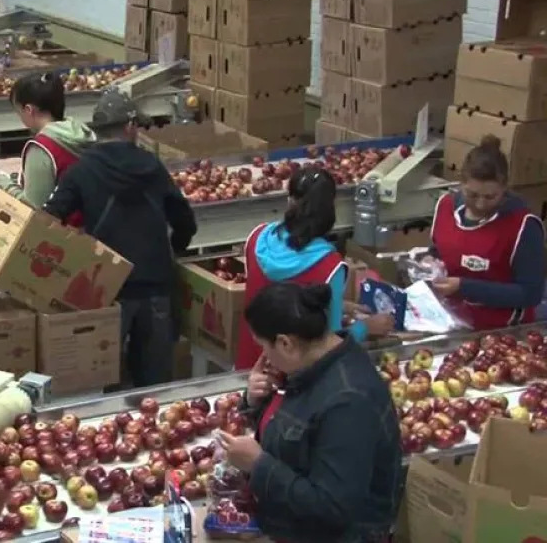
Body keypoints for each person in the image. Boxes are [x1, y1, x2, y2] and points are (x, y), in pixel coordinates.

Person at [218, 282, 402, 543]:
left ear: (285, 343)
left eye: (264, 347)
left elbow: (332, 508)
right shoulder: (312, 364)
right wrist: (255, 400)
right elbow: (294, 432)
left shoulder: (348, 403)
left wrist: (259, 465)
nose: (264, 356)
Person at [43, 92, 197, 387]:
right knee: (154, 382)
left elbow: (48, 218)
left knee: (104, 375)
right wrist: (175, 249)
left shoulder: (81, 170)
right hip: (155, 282)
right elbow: (184, 219)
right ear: (129, 127)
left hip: (107, 287)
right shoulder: (152, 167)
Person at [236, 167, 394, 371]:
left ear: (288, 200)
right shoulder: (329, 266)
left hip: (249, 368)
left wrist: (335, 304)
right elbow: (331, 343)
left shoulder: (256, 239)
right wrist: (367, 327)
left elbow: (275, 296)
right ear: (329, 210)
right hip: (293, 377)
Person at [429, 135, 545, 329]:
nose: (480, 204)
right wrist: (429, 261)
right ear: (461, 183)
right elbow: (437, 250)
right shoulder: (445, 207)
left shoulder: (523, 227)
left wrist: (464, 287)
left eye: (490, 197)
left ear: (505, 188)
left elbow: (531, 293)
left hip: (503, 328)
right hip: (450, 319)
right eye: (472, 195)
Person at [0, 71, 98, 224]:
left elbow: (35, 209)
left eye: (19, 112)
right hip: (90, 228)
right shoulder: (82, 134)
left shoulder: (42, 148)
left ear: (29, 110)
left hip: (62, 237)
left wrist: (4, 184)